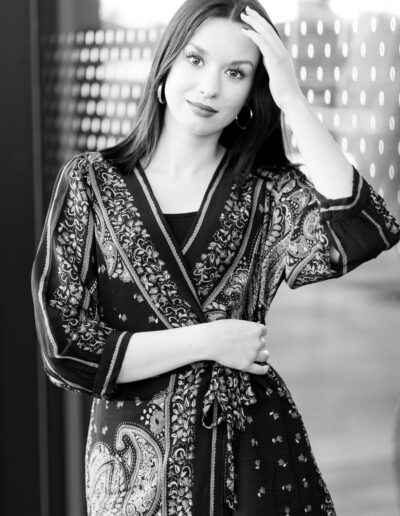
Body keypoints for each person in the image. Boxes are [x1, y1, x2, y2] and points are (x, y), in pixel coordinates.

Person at [31, 0, 400, 514]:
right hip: (131, 470)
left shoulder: (266, 190)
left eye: (236, 72)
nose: (210, 87)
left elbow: (366, 228)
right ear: (166, 65)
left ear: (253, 92)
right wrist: (208, 340)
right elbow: (65, 347)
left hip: (254, 456)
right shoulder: (90, 182)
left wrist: (293, 99)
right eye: (195, 59)